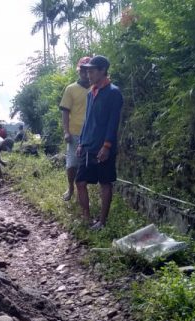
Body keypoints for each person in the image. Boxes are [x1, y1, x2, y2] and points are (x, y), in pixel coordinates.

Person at [75, 55, 124, 230]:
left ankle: (102, 222)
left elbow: (113, 122)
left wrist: (107, 145)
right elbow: (87, 120)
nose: (88, 74)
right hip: (88, 145)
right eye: (87, 71)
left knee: (105, 183)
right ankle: (86, 217)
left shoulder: (113, 93)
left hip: (103, 147)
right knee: (80, 182)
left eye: (92, 70)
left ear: (102, 71)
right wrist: (81, 141)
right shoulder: (91, 94)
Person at [59, 56, 92, 201]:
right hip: (75, 133)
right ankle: (71, 188)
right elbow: (65, 111)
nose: (85, 73)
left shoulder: (96, 88)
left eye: (88, 70)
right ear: (79, 71)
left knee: (87, 164)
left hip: (92, 133)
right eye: (83, 70)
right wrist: (66, 132)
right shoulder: (71, 89)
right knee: (72, 164)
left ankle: (83, 192)